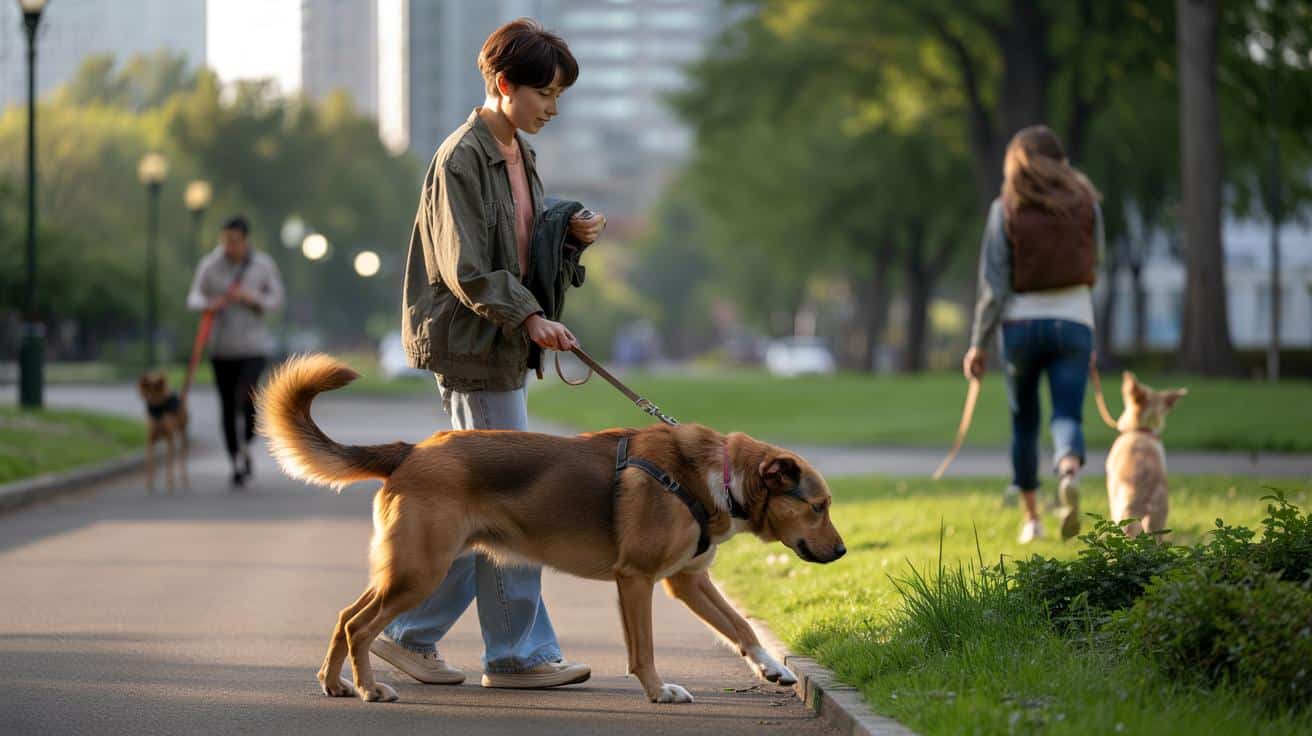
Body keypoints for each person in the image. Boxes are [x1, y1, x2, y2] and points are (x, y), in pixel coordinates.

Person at [376, 18, 607, 689]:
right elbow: (466, 267)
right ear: (505, 85)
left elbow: (518, 248)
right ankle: (515, 654)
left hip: (499, 347)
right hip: (476, 350)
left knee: (490, 508)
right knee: (511, 504)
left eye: (559, 96)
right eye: (546, 94)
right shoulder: (462, 157)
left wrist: (569, 238)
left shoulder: (516, 151)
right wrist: (530, 317)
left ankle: (412, 636)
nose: (553, 108)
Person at [964, 125, 1104, 544]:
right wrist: (1088, 331)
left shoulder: (1005, 206)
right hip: (1074, 322)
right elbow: (1098, 266)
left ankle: (1032, 520)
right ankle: (1067, 469)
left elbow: (994, 285)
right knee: (1067, 414)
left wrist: (978, 342)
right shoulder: (1087, 204)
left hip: (1021, 327)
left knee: (1024, 423)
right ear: (1061, 161)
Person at [186, 215, 285, 488]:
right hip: (221, 348)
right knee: (227, 406)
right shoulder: (210, 265)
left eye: (235, 241)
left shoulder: (262, 265)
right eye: (226, 241)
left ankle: (248, 442)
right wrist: (210, 303)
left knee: (247, 396)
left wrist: (252, 299)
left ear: (245, 240)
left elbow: (277, 298)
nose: (230, 246)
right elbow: (193, 297)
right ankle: (236, 461)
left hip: (253, 346)